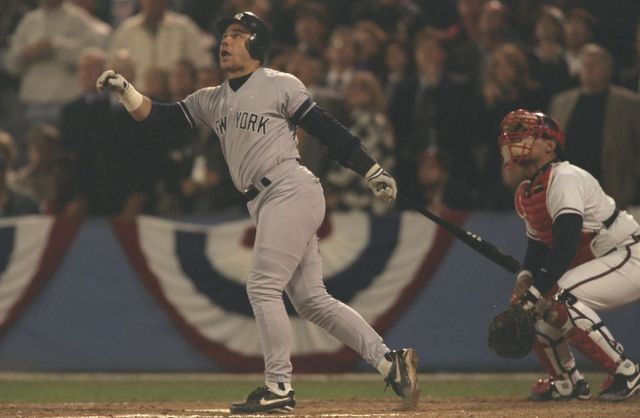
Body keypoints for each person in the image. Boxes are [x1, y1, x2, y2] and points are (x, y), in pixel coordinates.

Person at [96, 11, 419, 414]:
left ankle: (279, 386)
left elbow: (324, 127)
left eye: (236, 34)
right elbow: (158, 119)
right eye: (225, 35)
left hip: (290, 187)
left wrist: (370, 168)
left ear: (256, 43)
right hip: (266, 200)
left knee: (263, 286)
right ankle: (391, 363)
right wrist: (127, 90)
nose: (225, 41)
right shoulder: (211, 98)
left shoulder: (279, 83)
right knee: (311, 300)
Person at [499, 108, 640, 402]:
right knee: (534, 315)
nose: (516, 140)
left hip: (629, 254)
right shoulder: (527, 192)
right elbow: (537, 248)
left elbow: (565, 243)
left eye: (526, 135)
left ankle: (626, 371)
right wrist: (526, 281)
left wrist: (536, 290)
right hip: (606, 259)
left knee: (562, 296)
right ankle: (566, 382)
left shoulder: (564, 176)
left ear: (550, 145)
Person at [549, 43, 640, 208]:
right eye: (585, 64)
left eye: (595, 64)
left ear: (608, 69)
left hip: (613, 189)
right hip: (569, 191)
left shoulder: (629, 104)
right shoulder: (560, 103)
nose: (589, 69)